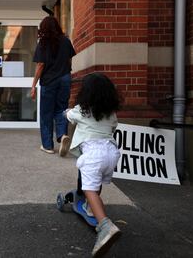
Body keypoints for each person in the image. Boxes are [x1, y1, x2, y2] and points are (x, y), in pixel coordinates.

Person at [64, 73, 121, 257]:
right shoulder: (111, 113)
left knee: (88, 187)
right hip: (111, 153)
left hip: (93, 153)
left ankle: (105, 226)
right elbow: (114, 127)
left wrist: (65, 112)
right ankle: (90, 206)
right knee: (95, 185)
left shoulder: (82, 110)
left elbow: (69, 116)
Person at [31, 16, 76, 156]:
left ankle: (48, 146)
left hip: (49, 81)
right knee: (61, 109)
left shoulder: (43, 43)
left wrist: (33, 85)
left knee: (46, 114)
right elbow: (69, 61)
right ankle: (62, 135)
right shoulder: (66, 41)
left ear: (43, 28)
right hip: (64, 79)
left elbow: (40, 65)